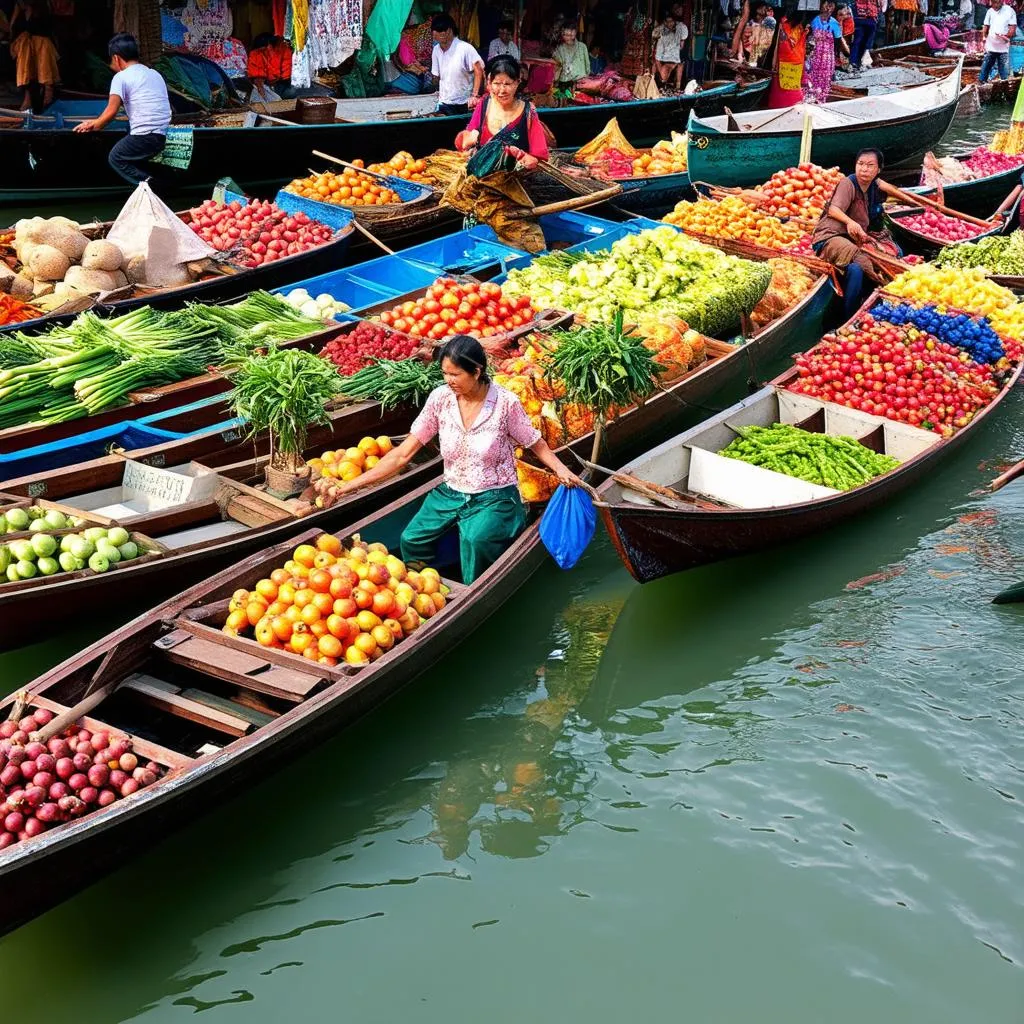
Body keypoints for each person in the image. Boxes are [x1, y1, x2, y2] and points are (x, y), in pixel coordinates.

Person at [329, 336, 581, 584]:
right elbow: (402, 454)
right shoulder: (441, 399)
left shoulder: (505, 404)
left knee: (476, 540)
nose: (448, 381)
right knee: (411, 538)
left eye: (455, 374)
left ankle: (475, 588)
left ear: (476, 371)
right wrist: (347, 487)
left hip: (494, 495)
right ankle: (421, 584)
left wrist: (560, 470)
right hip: (451, 492)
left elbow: (534, 443)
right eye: (445, 374)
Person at [812, 148, 903, 317]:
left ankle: (866, 305)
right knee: (861, 258)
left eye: (870, 165)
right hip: (830, 237)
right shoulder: (848, 183)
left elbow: (891, 190)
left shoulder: (873, 185)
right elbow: (833, 210)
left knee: (858, 268)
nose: (864, 169)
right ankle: (851, 316)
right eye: (860, 164)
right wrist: (849, 221)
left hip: (852, 239)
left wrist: (916, 202)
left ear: (878, 170)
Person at [73, 33, 171, 187]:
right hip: (161, 135)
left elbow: (111, 112)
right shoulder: (154, 74)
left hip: (144, 136)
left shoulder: (121, 77)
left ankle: (152, 186)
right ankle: (149, 183)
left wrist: (94, 125)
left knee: (116, 157)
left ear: (117, 58)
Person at [455, 55, 549, 169]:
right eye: (497, 83)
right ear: (489, 83)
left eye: (507, 84)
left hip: (517, 180)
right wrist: (468, 139)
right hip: (483, 179)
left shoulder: (528, 112)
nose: (502, 90)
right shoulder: (484, 105)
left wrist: (523, 157)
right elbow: (464, 144)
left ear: (517, 82)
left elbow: (538, 157)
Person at [431, 13, 485, 115]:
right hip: (445, 101)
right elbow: (436, 75)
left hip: (464, 102)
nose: (443, 33)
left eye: (445, 30)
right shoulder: (436, 50)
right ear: (433, 33)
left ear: (451, 30)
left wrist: (475, 95)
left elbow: (479, 70)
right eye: (439, 30)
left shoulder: (465, 48)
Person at [9, 0, 59, 110]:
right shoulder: (19, 7)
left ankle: (47, 90)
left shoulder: (43, 6)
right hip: (23, 46)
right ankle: (29, 96)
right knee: (25, 47)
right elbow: (13, 28)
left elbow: (45, 29)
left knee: (42, 45)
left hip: (41, 44)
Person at [766, 7, 810, 107]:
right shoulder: (784, 26)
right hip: (787, 63)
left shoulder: (798, 27)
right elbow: (783, 46)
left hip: (790, 64)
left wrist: (804, 35)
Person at [806, 0, 848, 102]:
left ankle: (821, 98)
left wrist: (842, 55)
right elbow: (809, 38)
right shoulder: (814, 20)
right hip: (815, 55)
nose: (828, 8)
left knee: (825, 79)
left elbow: (838, 40)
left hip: (828, 57)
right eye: (826, 5)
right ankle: (812, 97)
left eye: (831, 6)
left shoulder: (834, 23)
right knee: (812, 76)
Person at [979, 0, 1016, 83]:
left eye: (997, 2)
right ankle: (982, 81)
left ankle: (1004, 84)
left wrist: (1006, 36)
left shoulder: (1010, 11)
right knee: (986, 65)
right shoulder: (989, 11)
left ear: (1002, 2)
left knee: (1004, 69)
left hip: (1003, 47)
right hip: (991, 45)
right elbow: (986, 26)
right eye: (993, 2)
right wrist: (984, 38)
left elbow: (1013, 28)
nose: (995, 5)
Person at [653, 12, 688, 89]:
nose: (670, 23)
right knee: (660, 66)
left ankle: (678, 86)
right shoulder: (661, 33)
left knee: (680, 63)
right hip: (666, 54)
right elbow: (657, 58)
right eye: (667, 22)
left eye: (671, 21)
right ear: (665, 23)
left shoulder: (681, 27)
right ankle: (662, 82)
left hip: (678, 49)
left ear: (674, 21)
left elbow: (682, 45)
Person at [552, 24, 591, 92]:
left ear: (575, 32)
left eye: (568, 35)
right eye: (564, 34)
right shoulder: (559, 48)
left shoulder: (582, 47)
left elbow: (587, 66)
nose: (566, 37)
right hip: (564, 85)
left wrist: (585, 81)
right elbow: (557, 67)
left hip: (581, 84)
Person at [849, 0, 881, 67]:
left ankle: (856, 61)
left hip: (869, 18)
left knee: (862, 41)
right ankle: (854, 61)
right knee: (860, 40)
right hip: (862, 17)